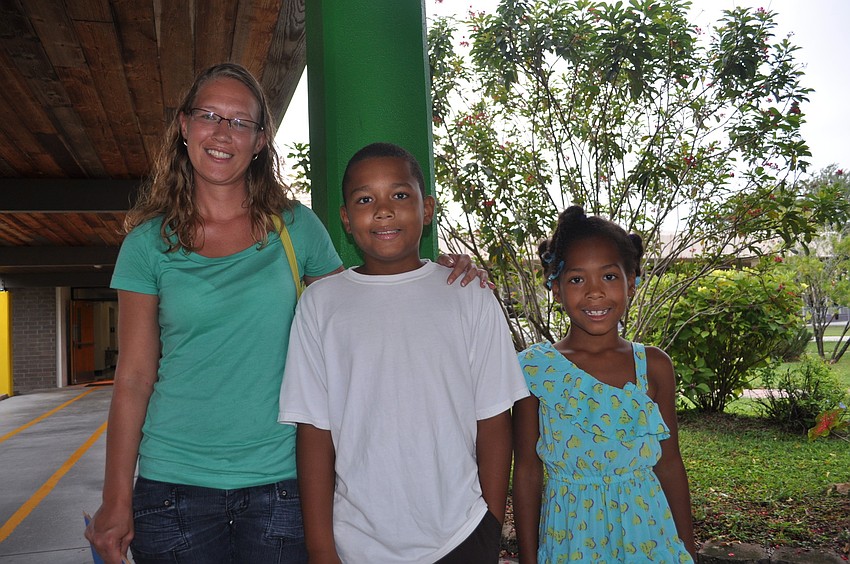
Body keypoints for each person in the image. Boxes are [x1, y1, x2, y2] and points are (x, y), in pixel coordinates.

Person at [84, 64, 487, 564]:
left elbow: (362, 305)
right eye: (210, 115)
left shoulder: (296, 227)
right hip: (172, 487)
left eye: (240, 122)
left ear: (259, 141)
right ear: (184, 127)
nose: (223, 132)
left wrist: (437, 272)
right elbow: (134, 378)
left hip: (281, 486)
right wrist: (115, 500)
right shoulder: (147, 244)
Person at [278, 142, 530, 564]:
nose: (383, 210)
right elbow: (314, 432)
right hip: (354, 542)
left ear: (426, 209)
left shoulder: (468, 295)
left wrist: (486, 522)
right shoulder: (320, 304)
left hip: (460, 534)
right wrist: (321, 547)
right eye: (364, 199)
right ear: (345, 218)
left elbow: (493, 418)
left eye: (399, 195)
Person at [512, 205, 697, 563]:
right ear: (555, 288)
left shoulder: (653, 366)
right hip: (571, 542)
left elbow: (670, 464)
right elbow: (528, 471)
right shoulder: (534, 369)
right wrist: (528, 559)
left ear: (632, 280)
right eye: (577, 279)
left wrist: (687, 551)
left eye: (610, 277)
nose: (595, 292)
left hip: (649, 540)